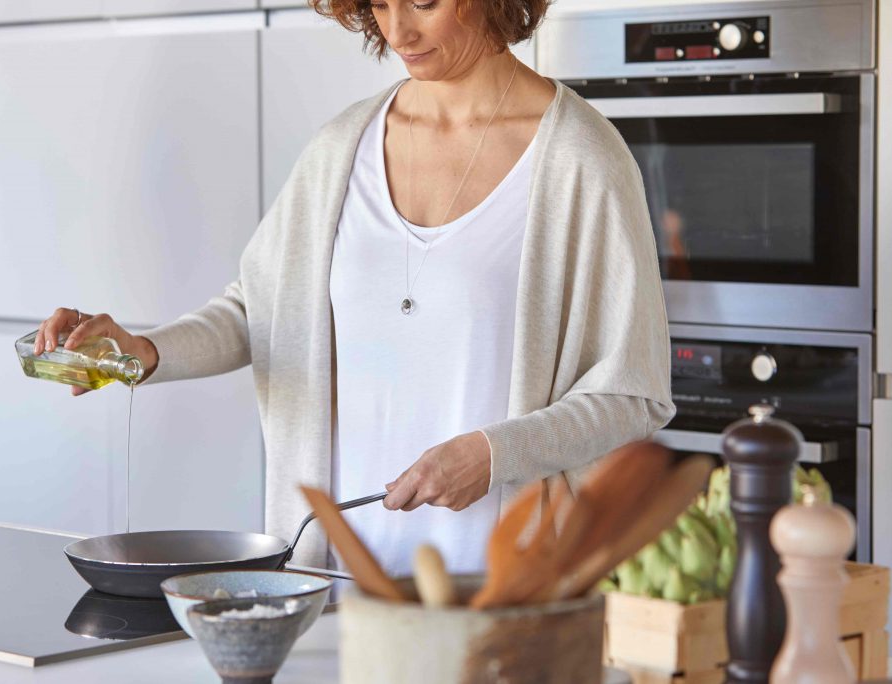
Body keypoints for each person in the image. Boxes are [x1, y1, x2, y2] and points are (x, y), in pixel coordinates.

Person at [33, 0, 675, 575]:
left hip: (500, 586)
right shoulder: (344, 145)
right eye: (380, 2)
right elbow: (255, 313)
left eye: (423, 1)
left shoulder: (582, 156)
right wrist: (137, 352)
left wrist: (492, 453)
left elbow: (632, 395)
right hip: (328, 574)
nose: (398, 29)